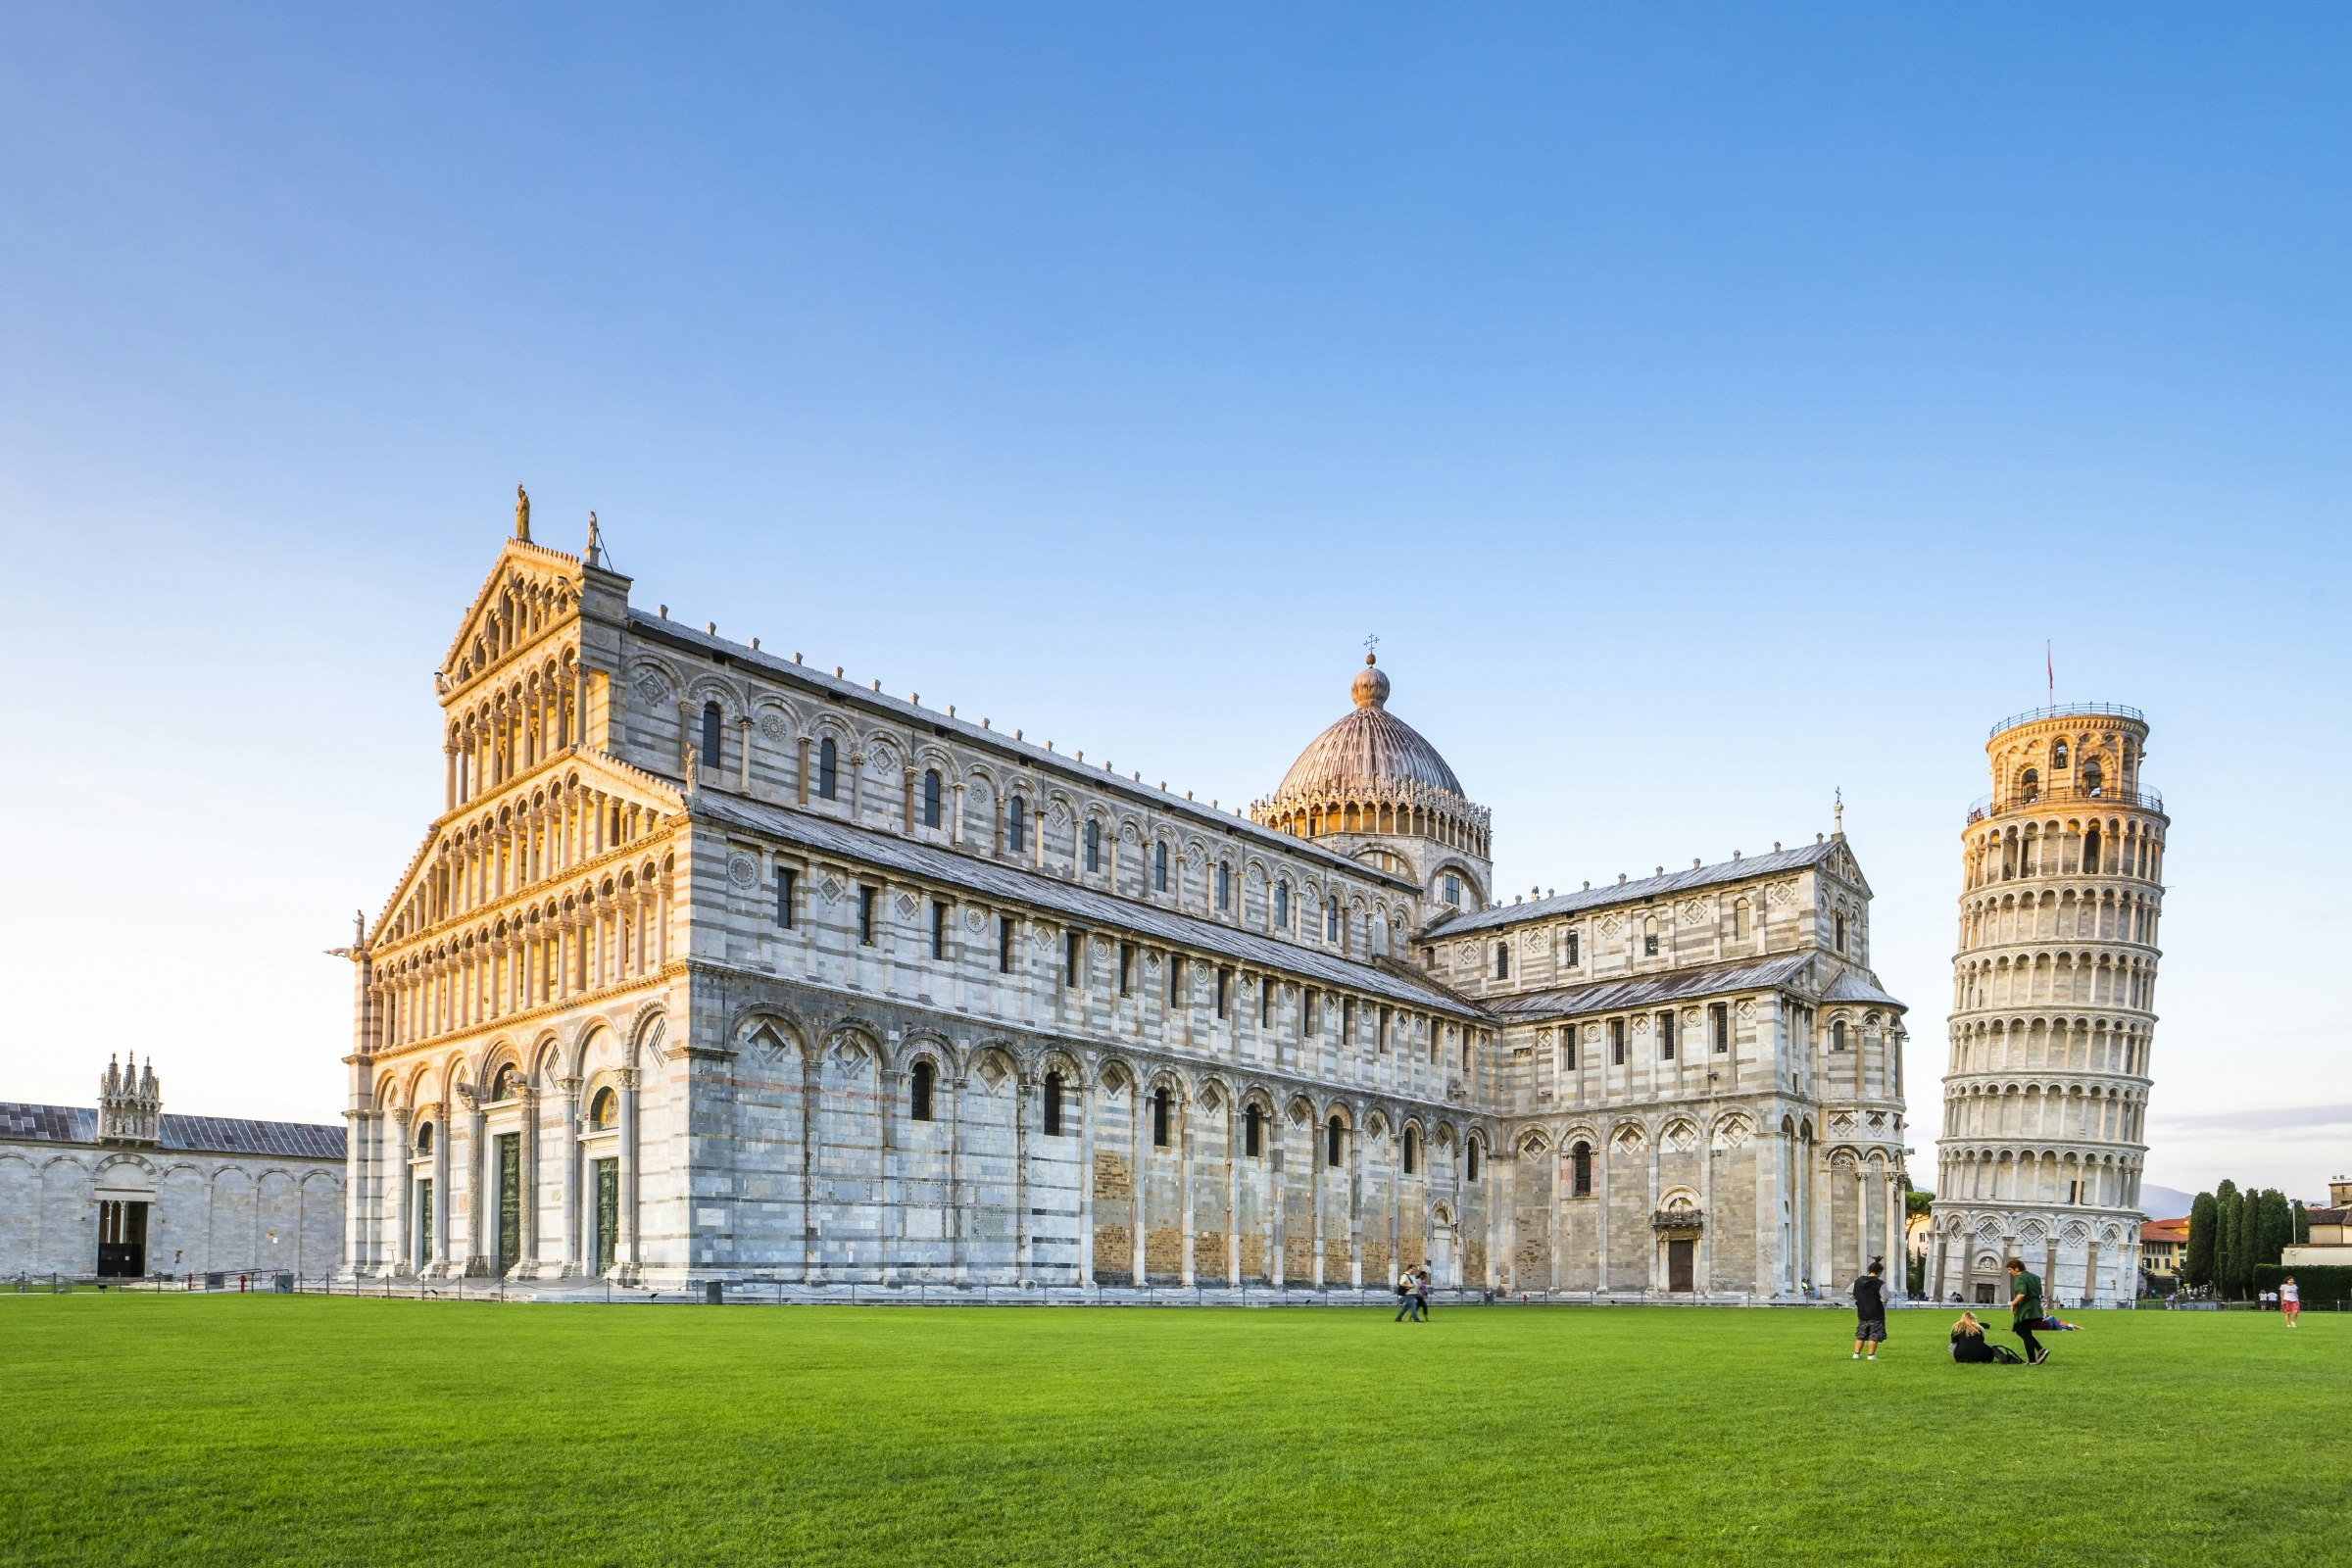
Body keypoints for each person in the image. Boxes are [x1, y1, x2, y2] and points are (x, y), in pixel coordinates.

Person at [2007, 1258, 2047, 1365]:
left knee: (2026, 1333)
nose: (2009, 1272)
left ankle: (2032, 1361)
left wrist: (2013, 1303)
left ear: (2016, 1268)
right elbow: (2039, 1292)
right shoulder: (2035, 1277)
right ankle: (2040, 1350)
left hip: (2026, 1309)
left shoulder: (2021, 1279)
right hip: (2035, 1307)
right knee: (2020, 1330)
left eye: (2010, 1269)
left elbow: (2021, 1294)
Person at [1851, 1259, 1888, 1360]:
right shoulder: (1880, 1283)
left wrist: (1859, 1300)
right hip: (1876, 1313)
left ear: (1869, 1270)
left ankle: (1856, 1354)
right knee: (1874, 1334)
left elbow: (1849, 1292)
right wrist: (1880, 1304)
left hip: (1862, 1311)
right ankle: (1871, 1355)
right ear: (1879, 1272)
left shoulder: (1858, 1281)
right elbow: (1885, 1298)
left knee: (1861, 1333)